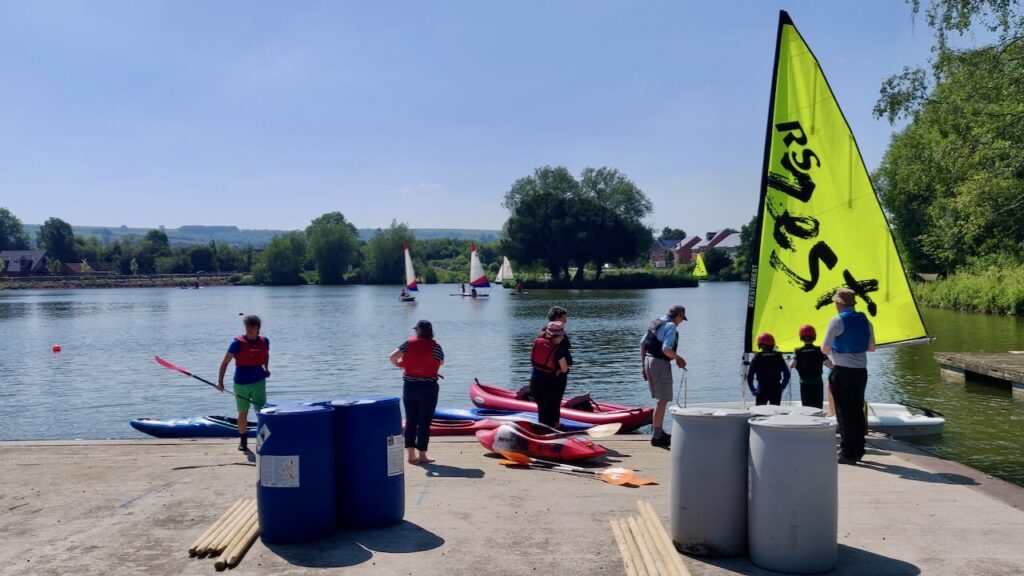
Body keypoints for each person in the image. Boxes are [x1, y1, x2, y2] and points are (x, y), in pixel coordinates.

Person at [821, 287, 876, 465]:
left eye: (836, 302)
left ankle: (847, 452)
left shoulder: (836, 321)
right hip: (861, 371)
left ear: (840, 303)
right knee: (857, 410)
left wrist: (839, 348)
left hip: (842, 370)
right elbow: (872, 348)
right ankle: (858, 449)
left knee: (843, 412)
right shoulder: (865, 320)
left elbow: (824, 349)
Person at [390, 320, 445, 464]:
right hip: (428, 388)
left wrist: (400, 365)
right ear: (431, 331)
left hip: (409, 387)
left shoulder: (408, 344)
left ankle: (410, 456)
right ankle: (422, 455)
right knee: (424, 422)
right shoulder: (436, 346)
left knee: (411, 421)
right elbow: (441, 362)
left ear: (417, 331)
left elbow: (392, 357)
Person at [217, 315, 270, 451]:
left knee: (262, 413)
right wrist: (220, 382)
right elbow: (225, 363)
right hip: (241, 384)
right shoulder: (237, 344)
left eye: (253, 327)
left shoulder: (265, 342)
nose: (250, 330)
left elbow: (265, 356)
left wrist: (266, 368)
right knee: (243, 413)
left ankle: (262, 441)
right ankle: (243, 442)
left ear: (258, 328)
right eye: (248, 327)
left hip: (259, 382)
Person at [640, 305, 687, 448]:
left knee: (660, 400)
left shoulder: (656, 321)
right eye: (682, 319)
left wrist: (643, 366)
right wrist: (679, 358)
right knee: (662, 400)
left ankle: (658, 432)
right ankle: (657, 436)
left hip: (649, 360)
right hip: (660, 363)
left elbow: (642, 343)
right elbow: (666, 349)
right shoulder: (671, 326)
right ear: (678, 315)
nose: (681, 322)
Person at [529, 321, 570, 427]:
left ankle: (541, 429)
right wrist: (560, 371)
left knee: (542, 409)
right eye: (562, 336)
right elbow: (564, 368)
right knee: (551, 410)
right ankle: (551, 431)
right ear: (556, 336)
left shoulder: (537, 342)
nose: (562, 338)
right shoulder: (557, 350)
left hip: (535, 381)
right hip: (549, 383)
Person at [790, 324, 832, 409]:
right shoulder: (819, 350)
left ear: (801, 337)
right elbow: (829, 365)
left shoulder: (798, 351)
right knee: (818, 408)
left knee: (806, 408)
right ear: (814, 336)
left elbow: (791, 365)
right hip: (817, 383)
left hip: (805, 384)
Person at [746, 332, 790, 406]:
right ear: (772, 344)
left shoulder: (757, 357)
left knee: (760, 413)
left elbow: (750, 376)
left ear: (760, 344)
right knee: (775, 412)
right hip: (776, 388)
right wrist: (782, 387)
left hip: (762, 389)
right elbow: (787, 374)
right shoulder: (778, 357)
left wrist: (752, 389)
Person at [547, 306, 573, 424]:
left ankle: (554, 422)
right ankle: (554, 423)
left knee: (556, 399)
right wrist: (558, 370)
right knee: (554, 399)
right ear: (557, 318)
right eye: (564, 318)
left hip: (561, 372)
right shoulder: (552, 334)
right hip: (556, 374)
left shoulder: (554, 332)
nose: (566, 321)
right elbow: (551, 353)